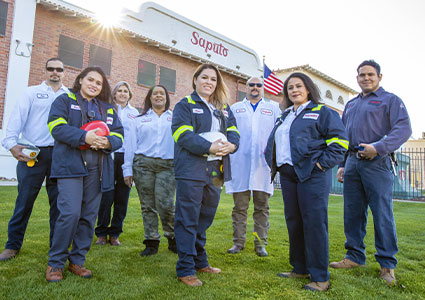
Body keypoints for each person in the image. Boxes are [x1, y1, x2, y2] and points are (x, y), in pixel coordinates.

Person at [330, 60, 412, 285]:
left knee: (382, 213)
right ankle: (354, 256)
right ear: (357, 78)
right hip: (353, 163)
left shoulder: (390, 100)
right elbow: (344, 136)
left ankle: (387, 265)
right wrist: (342, 164)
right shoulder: (351, 104)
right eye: (361, 75)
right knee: (353, 212)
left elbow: (403, 129)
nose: (366, 78)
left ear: (379, 77)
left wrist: (379, 148)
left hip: (378, 162)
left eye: (370, 75)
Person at [265, 72, 348, 292]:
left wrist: (320, 166)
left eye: (298, 86)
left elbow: (340, 143)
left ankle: (320, 276)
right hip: (288, 175)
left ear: (308, 89)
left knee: (314, 223)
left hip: (312, 175)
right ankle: (299, 267)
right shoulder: (286, 115)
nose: (294, 91)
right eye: (290, 87)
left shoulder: (323, 112)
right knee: (294, 221)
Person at [45, 66, 124, 282]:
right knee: (69, 213)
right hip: (70, 166)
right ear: (80, 80)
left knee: (89, 217)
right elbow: (56, 127)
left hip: (97, 170)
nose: (94, 85)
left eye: (99, 83)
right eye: (90, 80)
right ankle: (56, 263)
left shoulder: (108, 109)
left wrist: (109, 141)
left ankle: (77, 260)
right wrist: (84, 137)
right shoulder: (64, 100)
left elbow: (119, 134)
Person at [172, 64, 240, 286]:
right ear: (195, 80)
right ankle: (185, 268)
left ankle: (200, 261)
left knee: (205, 217)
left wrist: (232, 146)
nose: (209, 82)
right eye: (204, 78)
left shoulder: (223, 108)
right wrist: (209, 147)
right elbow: (181, 134)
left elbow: (234, 131)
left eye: (213, 79)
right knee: (188, 218)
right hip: (191, 168)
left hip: (216, 170)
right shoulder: (185, 105)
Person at [0, 58, 68, 261]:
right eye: (51, 69)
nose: (55, 72)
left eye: (59, 69)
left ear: (64, 72)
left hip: (59, 155)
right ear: (45, 71)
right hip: (34, 154)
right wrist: (11, 145)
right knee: (24, 201)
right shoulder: (31, 92)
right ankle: (12, 246)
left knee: (58, 205)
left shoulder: (68, 96)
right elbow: (16, 118)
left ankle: (55, 248)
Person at [225, 77, 281, 257]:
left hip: (262, 167)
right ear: (246, 87)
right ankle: (238, 243)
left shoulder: (272, 109)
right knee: (240, 208)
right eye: (251, 85)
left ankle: (260, 243)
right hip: (240, 164)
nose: (255, 88)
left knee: (261, 208)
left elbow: (278, 134)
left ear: (263, 88)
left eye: (258, 85)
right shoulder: (235, 108)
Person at [122, 85, 177, 256]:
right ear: (150, 98)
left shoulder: (175, 118)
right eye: (155, 94)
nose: (159, 96)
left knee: (166, 204)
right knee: (147, 205)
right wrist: (127, 170)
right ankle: (151, 241)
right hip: (143, 165)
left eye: (162, 93)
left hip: (168, 166)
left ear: (167, 98)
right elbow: (130, 145)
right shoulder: (139, 119)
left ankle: (173, 237)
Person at [95, 81, 138, 246]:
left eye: (125, 91)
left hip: (126, 158)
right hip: (109, 155)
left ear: (130, 94)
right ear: (114, 94)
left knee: (122, 198)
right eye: (119, 90)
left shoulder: (135, 113)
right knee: (106, 196)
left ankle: (115, 234)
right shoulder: (107, 110)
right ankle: (101, 233)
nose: (122, 93)